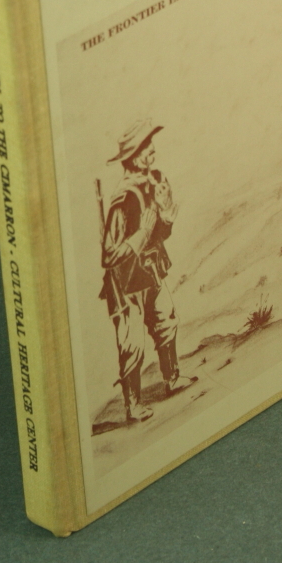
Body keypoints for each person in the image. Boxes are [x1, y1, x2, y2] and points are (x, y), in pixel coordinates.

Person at [99, 121, 196, 423]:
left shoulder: (155, 183)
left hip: (151, 270)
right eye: (145, 147)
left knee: (167, 319)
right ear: (133, 156)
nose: (152, 150)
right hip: (125, 282)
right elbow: (109, 255)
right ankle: (133, 406)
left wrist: (166, 217)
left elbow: (160, 234)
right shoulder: (122, 197)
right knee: (133, 344)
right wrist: (141, 233)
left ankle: (173, 379)